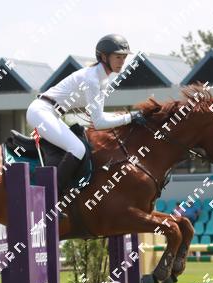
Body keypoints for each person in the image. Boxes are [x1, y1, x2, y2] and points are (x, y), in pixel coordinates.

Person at [26, 34, 146, 192]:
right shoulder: (92, 80)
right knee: (78, 149)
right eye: (118, 57)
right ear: (104, 57)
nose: (122, 62)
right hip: (40, 112)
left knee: (79, 145)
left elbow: (98, 116)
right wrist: (130, 117)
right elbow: (99, 123)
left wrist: (131, 116)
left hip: (50, 113)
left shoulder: (102, 80)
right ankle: (51, 194)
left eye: (124, 57)